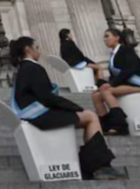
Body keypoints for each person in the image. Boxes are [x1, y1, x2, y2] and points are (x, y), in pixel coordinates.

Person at [10, 36, 128, 180]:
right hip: (40, 116)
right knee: (91, 117)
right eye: (37, 48)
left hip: (32, 114)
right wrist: (73, 107)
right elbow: (47, 98)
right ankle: (100, 167)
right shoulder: (33, 67)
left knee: (88, 115)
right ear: (28, 49)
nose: (39, 51)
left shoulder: (22, 69)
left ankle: (95, 165)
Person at [93, 28, 140, 135]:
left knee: (107, 91)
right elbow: (114, 76)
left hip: (139, 85)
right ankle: (106, 126)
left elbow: (131, 69)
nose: (105, 39)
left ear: (117, 38)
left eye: (107, 36)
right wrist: (104, 83)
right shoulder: (113, 55)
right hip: (124, 85)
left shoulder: (126, 50)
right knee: (96, 96)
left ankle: (120, 125)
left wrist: (111, 84)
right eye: (104, 37)